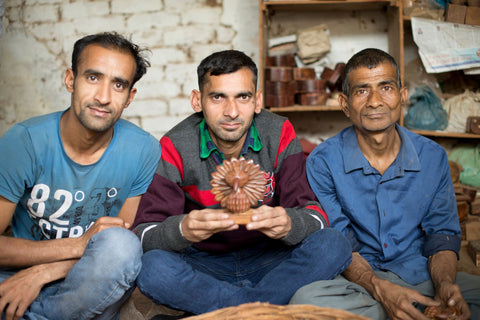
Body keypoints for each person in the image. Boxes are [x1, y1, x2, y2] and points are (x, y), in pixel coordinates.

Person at [131, 50, 352, 316]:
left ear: (257, 101)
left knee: (334, 243)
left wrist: (289, 223)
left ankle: (227, 311)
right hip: (204, 263)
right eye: (217, 97)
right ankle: (262, 309)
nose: (232, 111)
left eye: (243, 97)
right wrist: (183, 230)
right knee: (152, 268)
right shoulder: (175, 144)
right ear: (197, 100)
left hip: (271, 259)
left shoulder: (279, 131)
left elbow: (315, 217)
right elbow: (144, 233)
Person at [290, 48, 480, 320]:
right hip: (359, 281)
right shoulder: (323, 162)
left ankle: (410, 309)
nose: (375, 101)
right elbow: (340, 242)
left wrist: (444, 286)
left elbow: (442, 236)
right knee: (304, 302)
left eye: (386, 88)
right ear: (345, 104)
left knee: (467, 297)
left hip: (421, 275)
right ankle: (406, 310)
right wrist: (380, 288)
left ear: (402, 96)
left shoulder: (432, 157)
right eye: (362, 91)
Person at [0, 32, 161, 320]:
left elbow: (119, 246)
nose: (103, 97)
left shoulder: (143, 149)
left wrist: (43, 272)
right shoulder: (23, 141)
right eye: (93, 78)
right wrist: (79, 244)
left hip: (88, 282)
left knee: (124, 246)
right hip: (14, 278)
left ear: (130, 97)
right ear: (70, 80)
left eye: (119, 84)